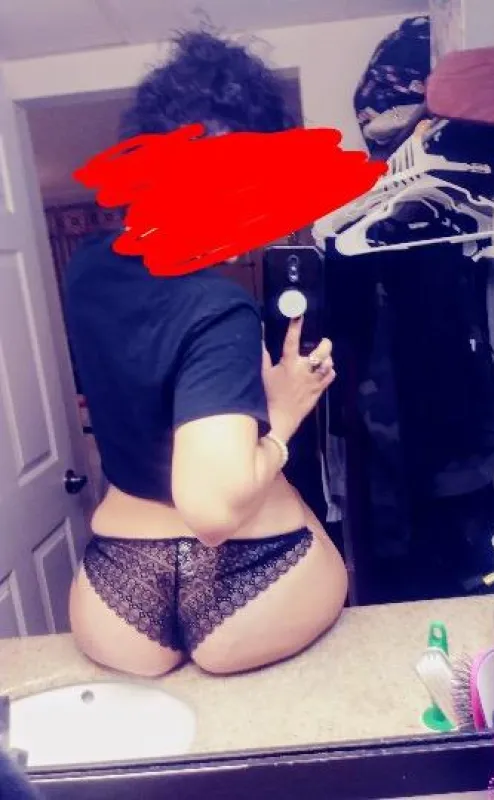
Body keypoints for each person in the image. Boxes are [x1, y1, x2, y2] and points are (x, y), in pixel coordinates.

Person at [64, 28, 348, 678]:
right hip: (259, 568)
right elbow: (212, 511)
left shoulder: (87, 269)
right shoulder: (219, 307)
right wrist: (284, 413)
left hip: (117, 577)